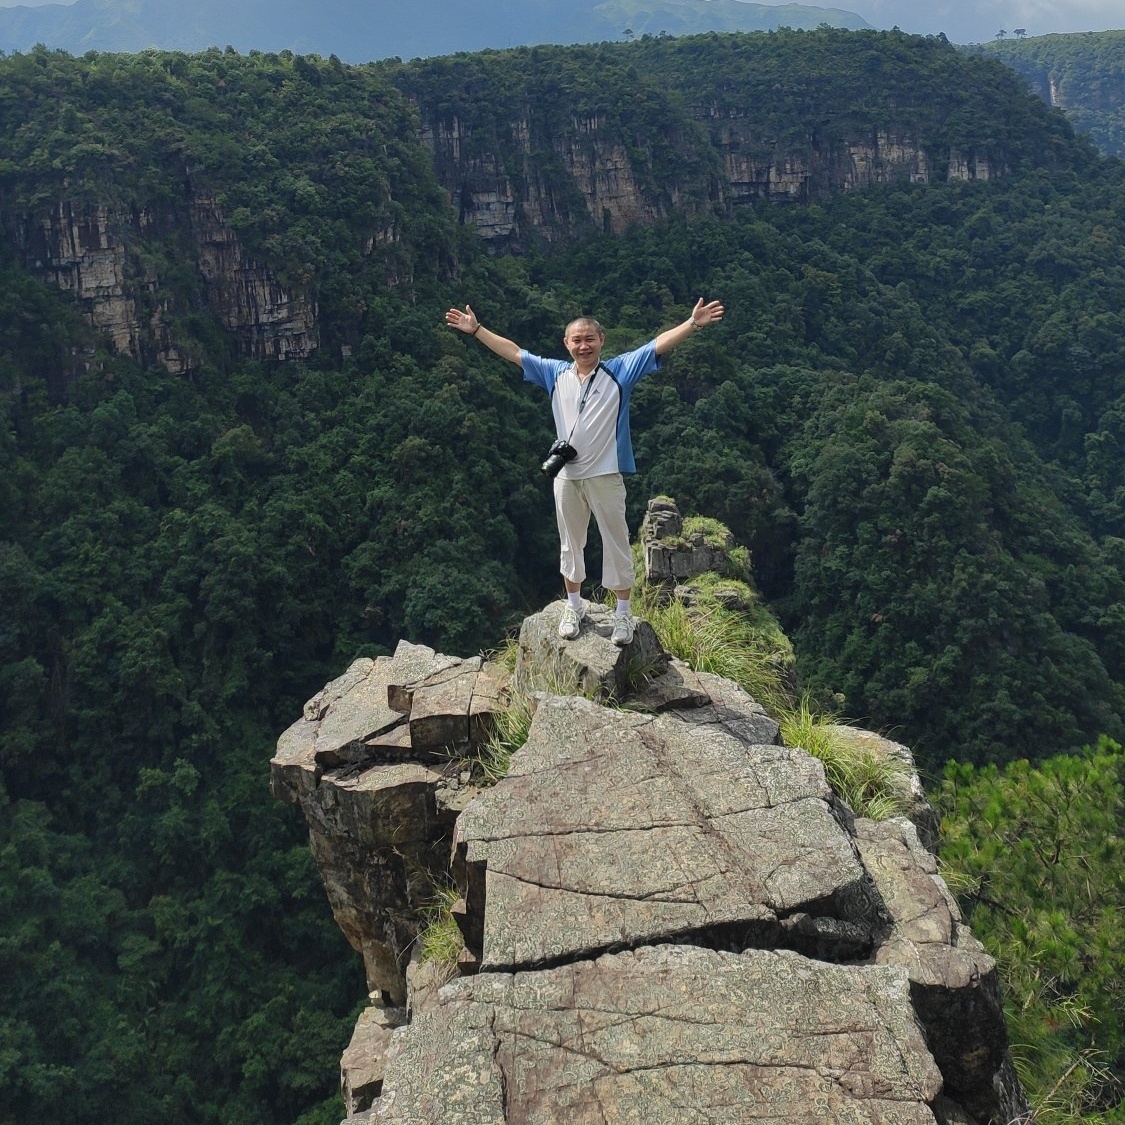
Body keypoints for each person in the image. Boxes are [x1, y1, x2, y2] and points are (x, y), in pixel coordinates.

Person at [445, 298, 725, 645]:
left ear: (601, 340)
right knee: (570, 543)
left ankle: (623, 614)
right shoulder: (555, 373)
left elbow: (655, 345)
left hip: (606, 474)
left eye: (589, 339)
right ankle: (574, 605)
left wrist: (693, 324)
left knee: (616, 541)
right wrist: (477, 331)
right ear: (567, 344)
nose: (583, 345)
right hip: (566, 476)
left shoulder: (619, 371)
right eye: (576, 340)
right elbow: (515, 353)